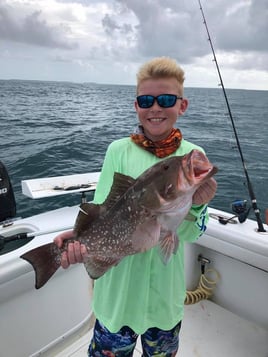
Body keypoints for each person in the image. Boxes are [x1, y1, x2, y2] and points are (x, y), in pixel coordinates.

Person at [54, 57, 217, 356]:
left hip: (163, 303)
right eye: (146, 100)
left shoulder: (193, 156)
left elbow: (192, 235)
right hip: (117, 302)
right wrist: (77, 237)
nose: (155, 107)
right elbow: (104, 211)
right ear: (136, 106)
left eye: (166, 99)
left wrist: (196, 207)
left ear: (182, 105)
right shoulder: (118, 151)